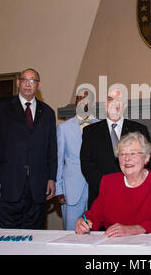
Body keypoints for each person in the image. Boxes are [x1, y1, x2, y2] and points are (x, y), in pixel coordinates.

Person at [0, 68, 57, 229]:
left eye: (32, 80)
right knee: (5, 242)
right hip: (6, 186)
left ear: (39, 85)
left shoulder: (48, 113)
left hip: (37, 189)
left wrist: (51, 178)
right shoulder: (0, 108)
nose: (28, 84)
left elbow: (51, 149)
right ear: (18, 83)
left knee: (34, 240)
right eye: (24, 80)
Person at [76, 132, 151, 236]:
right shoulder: (109, 182)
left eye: (133, 153)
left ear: (146, 158)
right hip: (113, 244)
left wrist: (135, 229)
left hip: (149, 244)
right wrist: (84, 222)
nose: (126, 159)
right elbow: (94, 215)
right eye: (122, 154)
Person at [80, 86, 150, 209]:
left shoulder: (140, 130)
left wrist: (130, 186)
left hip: (134, 197)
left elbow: (145, 163)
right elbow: (87, 164)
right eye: (109, 99)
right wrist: (107, 187)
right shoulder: (90, 131)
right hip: (101, 197)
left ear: (125, 104)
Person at [56, 88, 98, 230]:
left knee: (95, 233)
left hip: (95, 190)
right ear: (76, 102)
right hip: (71, 191)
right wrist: (58, 189)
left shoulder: (100, 126)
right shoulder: (64, 128)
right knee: (71, 233)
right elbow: (59, 161)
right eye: (81, 98)